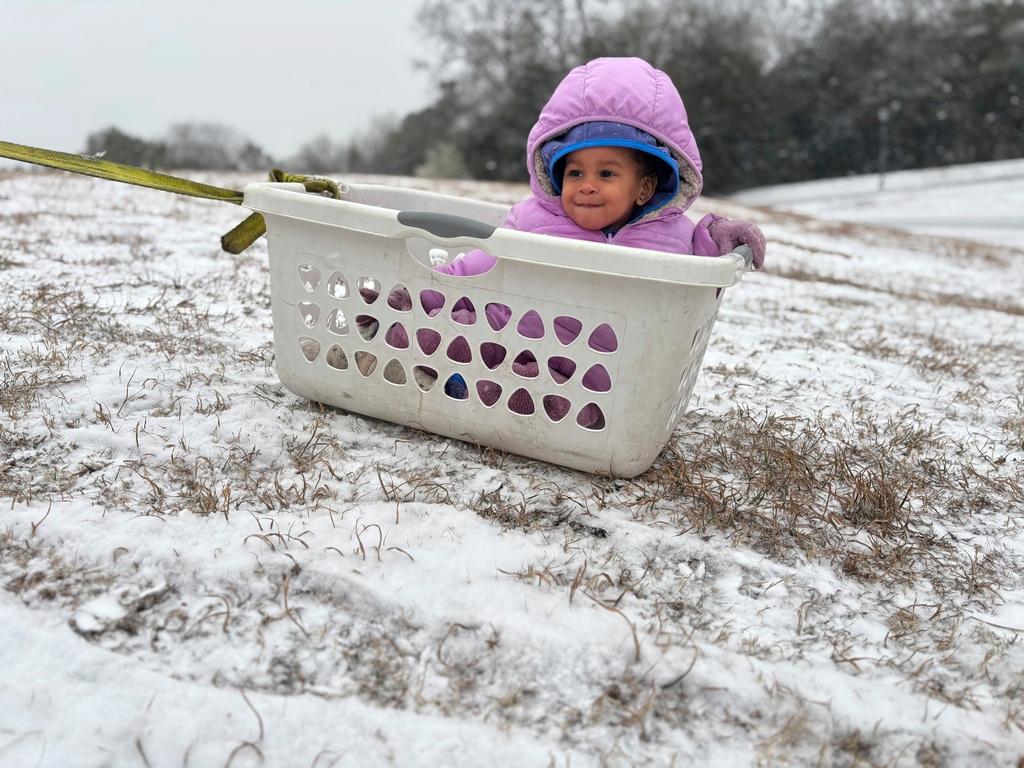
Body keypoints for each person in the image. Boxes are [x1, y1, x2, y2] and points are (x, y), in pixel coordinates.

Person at [371, 57, 766, 419]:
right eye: (575, 173)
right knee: (461, 325)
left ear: (644, 187)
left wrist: (722, 234)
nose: (587, 186)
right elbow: (481, 262)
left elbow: (706, 264)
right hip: (509, 332)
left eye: (607, 174)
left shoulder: (672, 235)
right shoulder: (536, 218)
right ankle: (412, 349)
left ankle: (483, 390)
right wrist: (425, 295)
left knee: (566, 400)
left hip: (592, 369)